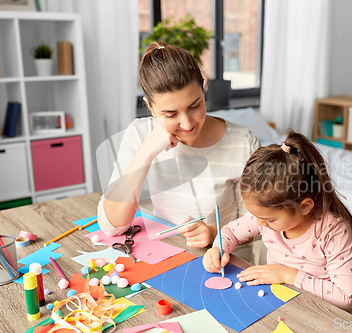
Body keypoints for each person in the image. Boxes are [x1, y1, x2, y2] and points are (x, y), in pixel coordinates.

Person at [97, 41, 260, 250]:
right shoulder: (139, 134)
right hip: (165, 256)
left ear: (203, 90)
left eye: (195, 105)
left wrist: (215, 234)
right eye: (170, 114)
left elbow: (260, 223)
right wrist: (146, 153)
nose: (187, 123)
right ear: (150, 108)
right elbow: (112, 226)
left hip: (226, 262)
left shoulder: (242, 144)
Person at [203, 131, 352, 310]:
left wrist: (288, 275)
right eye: (257, 216)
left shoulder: (333, 231)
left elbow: (346, 297)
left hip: (315, 314)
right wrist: (218, 249)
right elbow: (230, 232)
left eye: (268, 220)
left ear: (305, 206)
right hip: (276, 306)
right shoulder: (265, 216)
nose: (260, 223)